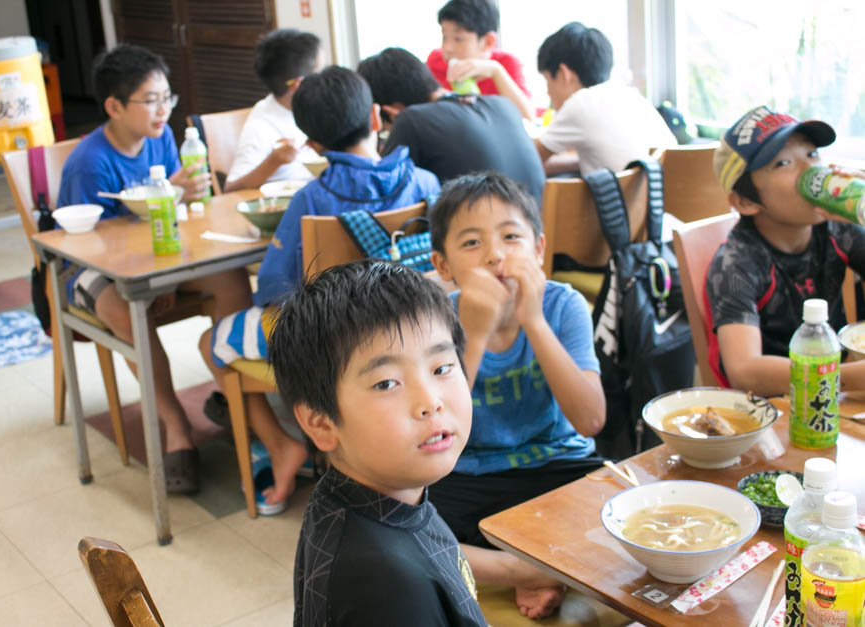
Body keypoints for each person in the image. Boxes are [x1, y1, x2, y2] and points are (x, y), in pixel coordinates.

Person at [199, 66, 440, 512]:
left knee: (212, 341)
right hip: (412, 333)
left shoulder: (311, 198)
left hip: (336, 341)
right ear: (374, 117)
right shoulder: (424, 182)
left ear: (311, 143)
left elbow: (273, 290)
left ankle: (278, 444)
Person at [58, 43, 252, 495]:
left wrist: (179, 209)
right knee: (130, 310)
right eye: (151, 100)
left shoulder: (162, 138)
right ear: (114, 106)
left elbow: (177, 213)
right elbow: (93, 244)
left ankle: (236, 398)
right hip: (90, 266)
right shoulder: (90, 163)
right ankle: (176, 426)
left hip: (159, 253)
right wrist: (148, 278)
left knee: (229, 279)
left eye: (168, 97)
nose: (163, 109)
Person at [428, 172, 607, 620]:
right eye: (471, 244)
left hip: (558, 465)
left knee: (621, 510)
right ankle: (525, 568)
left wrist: (534, 322)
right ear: (444, 266)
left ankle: (533, 563)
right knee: (405, 535)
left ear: (539, 249)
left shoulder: (563, 306)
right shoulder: (435, 322)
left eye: (511, 237)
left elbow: (590, 422)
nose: (495, 255)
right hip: (470, 476)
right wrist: (473, 333)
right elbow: (436, 426)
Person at [269, 260, 487, 626]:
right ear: (319, 422)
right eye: (386, 383)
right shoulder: (386, 587)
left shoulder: (365, 497)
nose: (430, 402)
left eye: (441, 368)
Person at [706, 105, 865, 395]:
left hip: (832, 399)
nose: (811, 170)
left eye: (811, 154)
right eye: (784, 163)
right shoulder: (736, 262)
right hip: (772, 413)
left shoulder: (836, 229)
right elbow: (744, 371)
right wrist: (846, 377)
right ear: (745, 202)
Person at [357, 47, 545, 206]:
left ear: (392, 111)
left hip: (483, 245)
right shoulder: (504, 104)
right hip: (532, 243)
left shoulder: (411, 120)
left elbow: (384, 201)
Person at [534, 22, 676, 176]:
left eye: (547, 80)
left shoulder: (581, 103)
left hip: (630, 199)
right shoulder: (629, 95)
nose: (548, 92)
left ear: (563, 74)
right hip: (670, 196)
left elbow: (527, 160)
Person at [223, 29, 324, 192]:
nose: (324, 81)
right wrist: (274, 161)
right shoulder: (260, 127)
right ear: (299, 84)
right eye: (319, 74)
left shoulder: (312, 106)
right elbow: (231, 189)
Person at [425, 0, 533, 120]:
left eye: (458, 39)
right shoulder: (435, 61)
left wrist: (496, 72)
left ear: (488, 41)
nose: (447, 48)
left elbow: (528, 119)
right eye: (444, 37)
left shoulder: (506, 63)